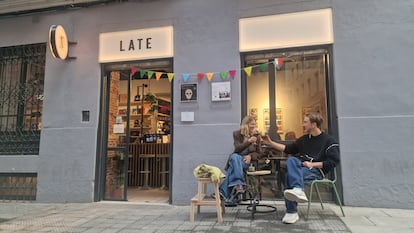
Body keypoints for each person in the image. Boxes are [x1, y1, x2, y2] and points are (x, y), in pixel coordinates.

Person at [262, 112, 340, 224]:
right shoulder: (304, 140)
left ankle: (291, 212)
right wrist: (271, 143)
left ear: (313, 124)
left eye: (305, 122)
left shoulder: (329, 141)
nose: (303, 124)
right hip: (301, 168)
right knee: (291, 160)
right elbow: (287, 148)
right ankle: (297, 189)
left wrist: (312, 164)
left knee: (289, 176)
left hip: (316, 171)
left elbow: (333, 162)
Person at [219, 116, 264, 206]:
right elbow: (237, 148)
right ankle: (235, 189)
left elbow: (260, 153)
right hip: (237, 159)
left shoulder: (256, 136)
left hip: (247, 163)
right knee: (235, 157)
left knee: (233, 165)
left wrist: (250, 156)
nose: (253, 126)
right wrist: (248, 142)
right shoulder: (237, 134)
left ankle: (225, 192)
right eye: (252, 124)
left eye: (255, 124)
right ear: (245, 125)